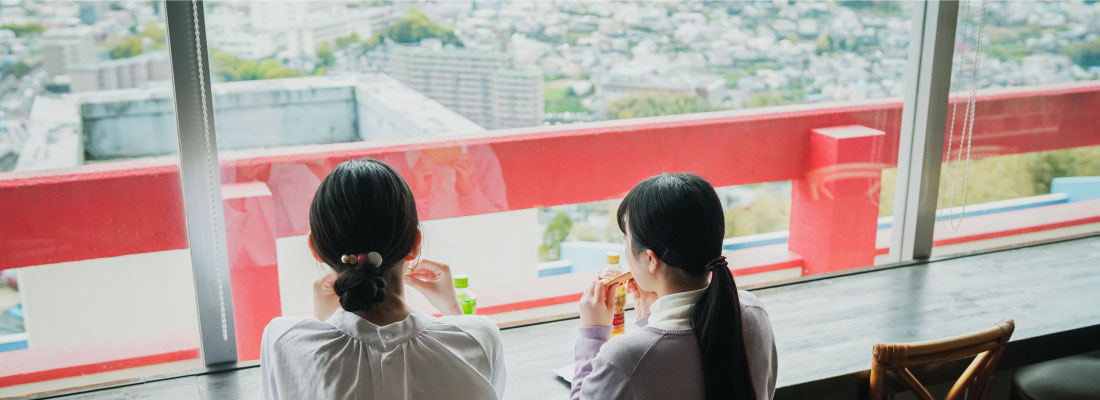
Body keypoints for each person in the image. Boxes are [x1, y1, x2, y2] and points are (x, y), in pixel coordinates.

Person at [259, 158, 506, 400]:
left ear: (314, 247)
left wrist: (325, 320)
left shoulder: (281, 342)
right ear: (415, 244)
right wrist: (454, 312)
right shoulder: (481, 338)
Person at [571, 173, 778, 400]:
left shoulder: (623, 360)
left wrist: (593, 334)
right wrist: (650, 318)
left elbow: (656, 359)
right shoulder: (752, 313)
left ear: (651, 259)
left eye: (626, 239)